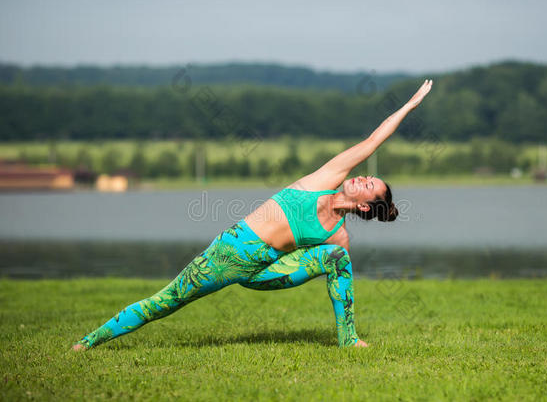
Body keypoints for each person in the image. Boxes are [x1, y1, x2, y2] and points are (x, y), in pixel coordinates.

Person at [72, 79, 433, 351]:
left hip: (266, 271)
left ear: (366, 205)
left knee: (338, 259)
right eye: (368, 175)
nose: (363, 177)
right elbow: (371, 142)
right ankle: (87, 343)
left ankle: (348, 340)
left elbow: (337, 278)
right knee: (164, 303)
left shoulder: (338, 235)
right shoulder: (325, 179)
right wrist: (408, 106)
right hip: (228, 255)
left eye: (370, 184)